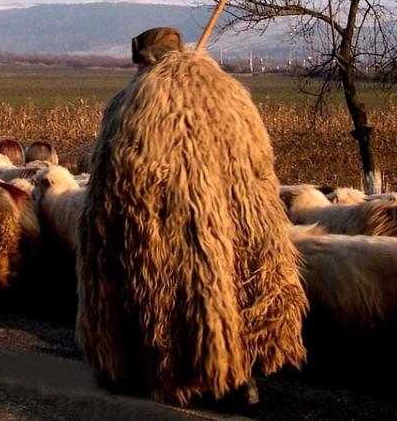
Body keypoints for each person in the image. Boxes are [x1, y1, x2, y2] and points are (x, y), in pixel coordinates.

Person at [76, 27, 308, 406]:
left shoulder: (135, 101)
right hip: (240, 219)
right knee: (238, 288)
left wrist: (108, 226)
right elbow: (262, 165)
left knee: (165, 296)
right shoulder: (232, 94)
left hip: (170, 224)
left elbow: (121, 176)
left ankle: (170, 377)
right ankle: (240, 380)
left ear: (145, 59)